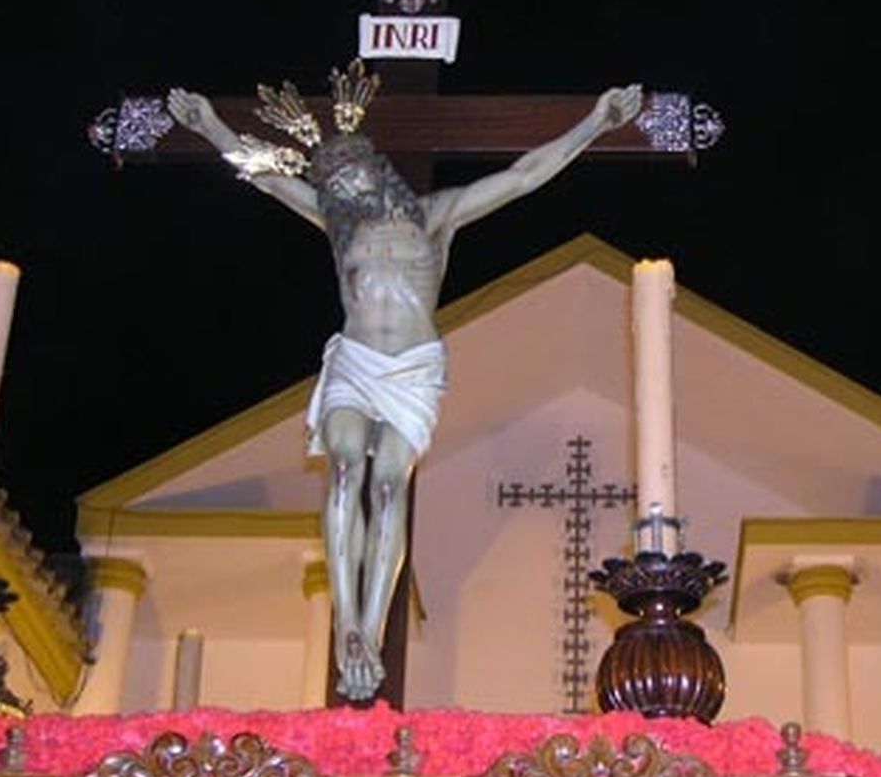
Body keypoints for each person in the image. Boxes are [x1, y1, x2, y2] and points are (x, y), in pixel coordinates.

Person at [168, 64, 642, 700]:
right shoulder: (338, 225)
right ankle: (347, 625)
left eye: (346, 171)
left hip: (413, 369)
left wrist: (596, 123)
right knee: (344, 470)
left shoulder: (435, 214)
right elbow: (266, 178)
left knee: (389, 485)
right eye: (330, 179)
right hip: (355, 361)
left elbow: (524, 175)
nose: (339, 184)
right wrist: (209, 126)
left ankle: (371, 623)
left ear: (373, 165)